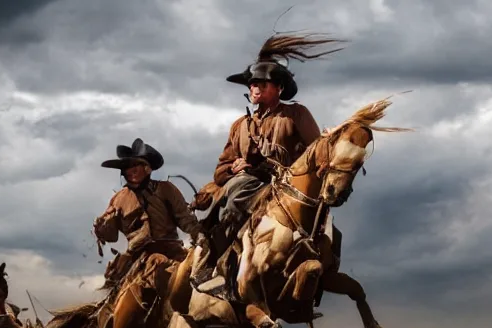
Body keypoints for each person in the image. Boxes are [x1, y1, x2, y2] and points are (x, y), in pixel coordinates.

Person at [193, 34, 343, 291]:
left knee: (331, 232)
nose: (255, 88)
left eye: (263, 83)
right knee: (235, 188)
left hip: (290, 186)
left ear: (279, 88)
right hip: (252, 186)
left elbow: (317, 150)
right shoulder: (240, 126)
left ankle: (323, 275)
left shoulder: (296, 114)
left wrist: (330, 141)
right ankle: (213, 263)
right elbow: (220, 172)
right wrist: (233, 168)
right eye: (252, 84)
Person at [93, 138, 205, 298]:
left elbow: (184, 218)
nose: (130, 171)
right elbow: (111, 236)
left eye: (134, 166)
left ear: (147, 168)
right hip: (137, 258)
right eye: (126, 168)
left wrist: (199, 236)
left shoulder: (166, 189)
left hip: (173, 251)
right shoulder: (119, 199)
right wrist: (102, 229)